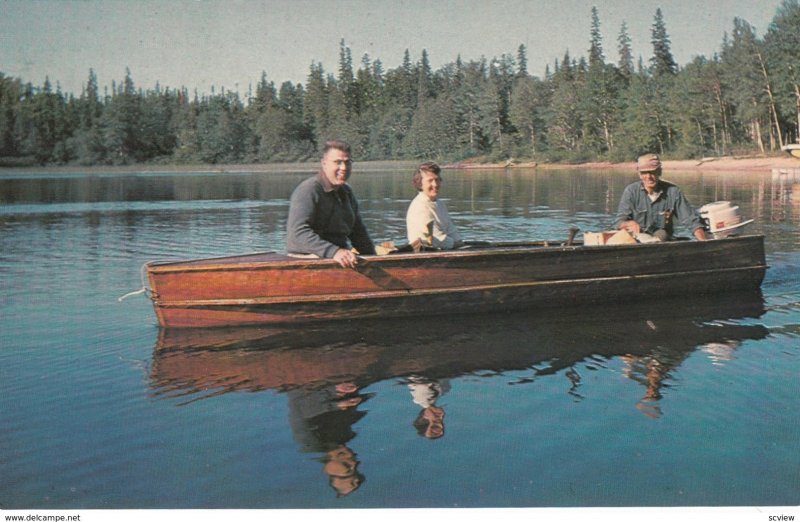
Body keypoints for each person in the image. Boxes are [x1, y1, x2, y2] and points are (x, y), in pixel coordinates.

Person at [286, 140, 376, 268]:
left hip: (338, 258)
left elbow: (358, 233)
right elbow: (298, 234)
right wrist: (334, 252)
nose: (344, 168)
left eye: (347, 162)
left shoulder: (346, 192)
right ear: (324, 164)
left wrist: (374, 259)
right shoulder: (309, 190)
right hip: (308, 260)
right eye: (337, 162)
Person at [614, 153, 707, 241]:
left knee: (662, 234)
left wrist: (703, 242)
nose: (648, 177)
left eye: (652, 172)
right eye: (644, 173)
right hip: (637, 240)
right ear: (639, 174)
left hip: (662, 240)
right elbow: (619, 222)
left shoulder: (673, 192)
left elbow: (691, 221)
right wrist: (628, 224)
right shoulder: (631, 191)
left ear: (659, 172)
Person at [406, 161, 463, 249]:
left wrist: (459, 242)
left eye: (437, 180)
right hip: (423, 252)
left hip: (443, 249)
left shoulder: (440, 204)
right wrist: (456, 244)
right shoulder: (419, 207)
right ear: (420, 183)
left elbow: (452, 230)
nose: (435, 184)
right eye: (430, 180)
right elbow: (437, 239)